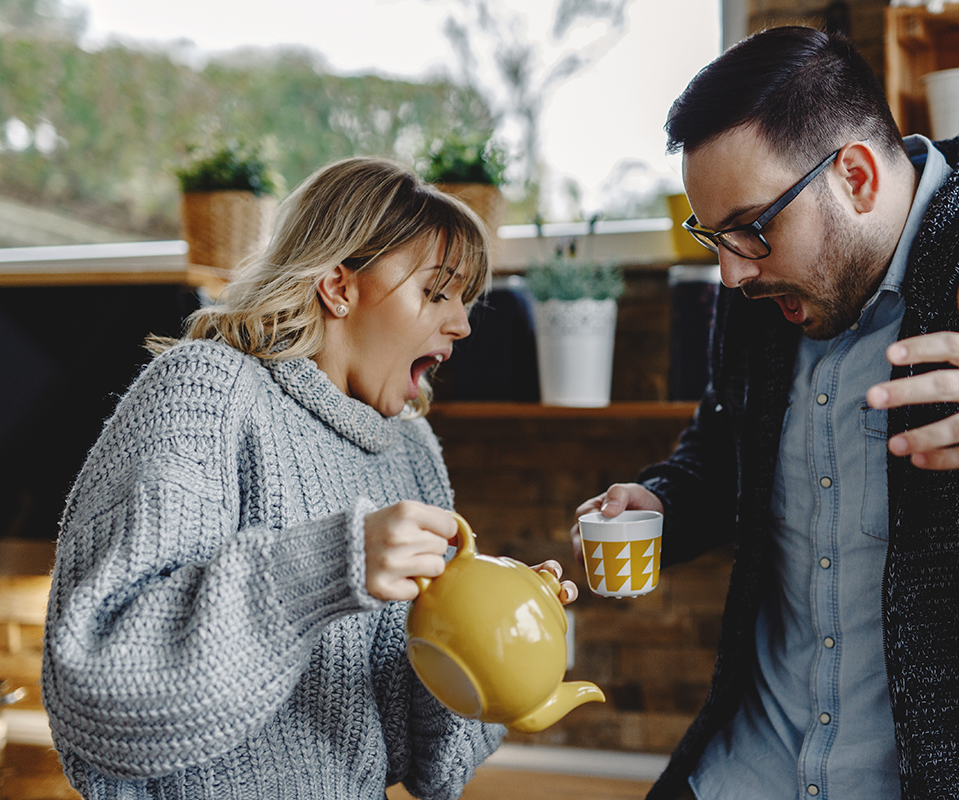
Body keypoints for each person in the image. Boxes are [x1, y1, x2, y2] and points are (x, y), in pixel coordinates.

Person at [572, 26, 959, 800]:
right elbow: (727, 444)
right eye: (714, 236)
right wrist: (664, 500)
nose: (731, 272)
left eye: (751, 228)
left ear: (858, 177)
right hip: (748, 770)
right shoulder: (763, 297)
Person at [42, 156, 576, 799]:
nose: (461, 324)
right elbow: (99, 688)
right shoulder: (204, 392)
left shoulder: (411, 449)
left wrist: (500, 634)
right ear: (338, 286)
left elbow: (428, 764)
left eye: (465, 300)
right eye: (436, 292)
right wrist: (333, 563)